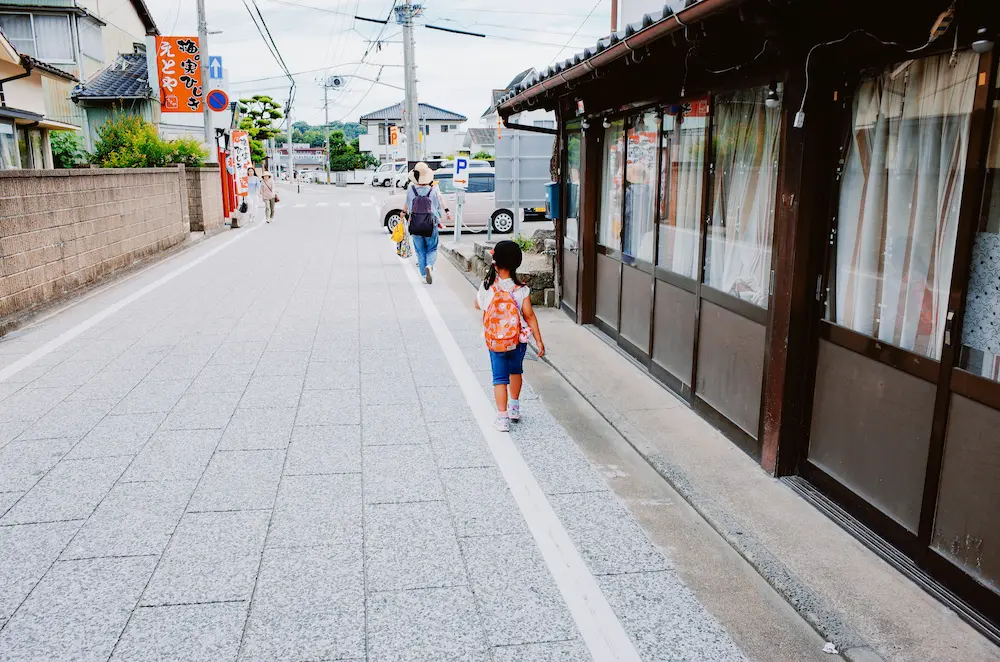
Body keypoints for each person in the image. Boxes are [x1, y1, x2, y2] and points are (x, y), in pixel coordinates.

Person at [475, 240, 545, 432]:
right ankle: (514, 408)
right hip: (518, 340)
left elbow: (477, 304)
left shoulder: (488, 285)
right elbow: (529, 315)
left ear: (495, 262)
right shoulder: (521, 288)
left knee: (499, 378)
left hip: (496, 341)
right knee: (516, 372)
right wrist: (538, 339)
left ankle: (502, 418)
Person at [403, 162, 450, 284]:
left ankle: (424, 275)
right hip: (430, 224)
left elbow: (408, 206)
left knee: (420, 251)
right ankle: (429, 265)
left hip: (415, 223)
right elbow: (436, 209)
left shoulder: (410, 190)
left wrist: (404, 213)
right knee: (432, 248)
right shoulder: (432, 191)